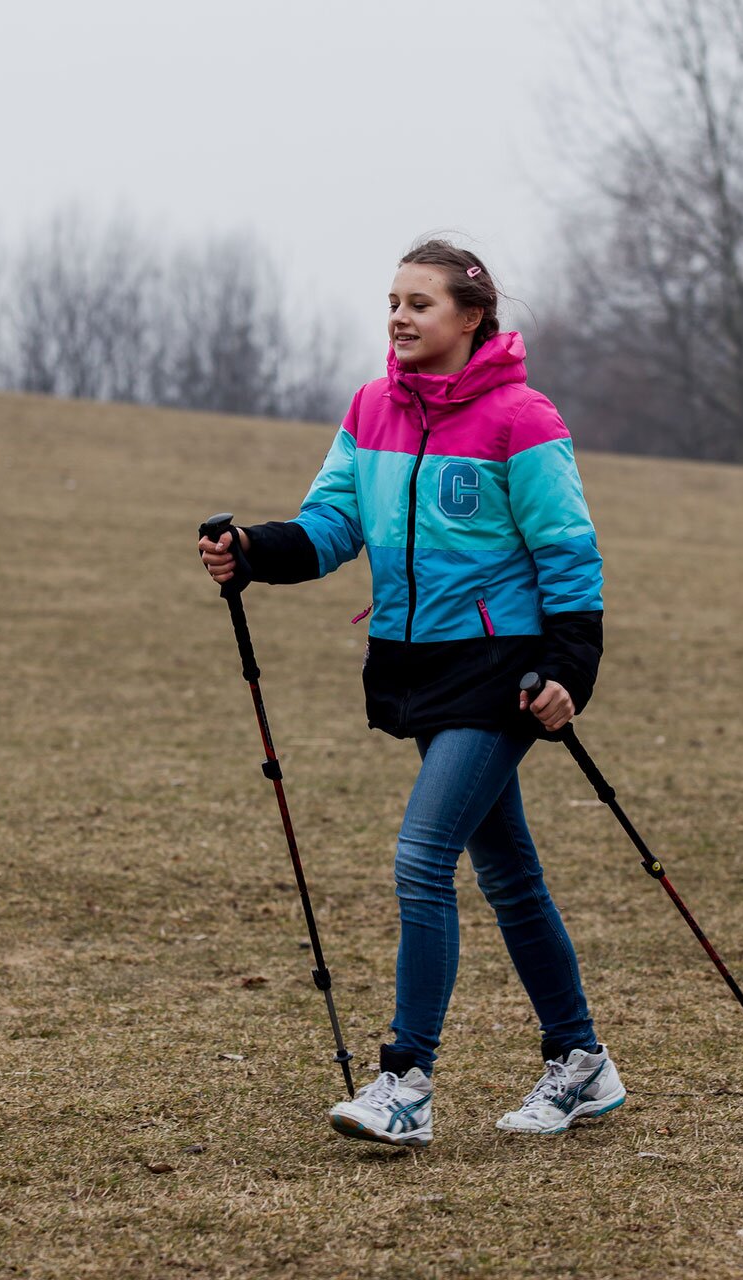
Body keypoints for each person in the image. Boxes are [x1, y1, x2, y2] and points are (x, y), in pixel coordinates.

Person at [197, 239, 623, 1149]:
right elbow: (333, 525)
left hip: (500, 672)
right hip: (415, 667)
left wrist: (567, 672)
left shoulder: (522, 418)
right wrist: (254, 551)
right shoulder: (372, 408)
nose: (399, 316)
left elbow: (568, 556)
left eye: (420, 303)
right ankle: (581, 1061)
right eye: (392, 300)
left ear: (472, 318)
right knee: (508, 873)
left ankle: (406, 1082)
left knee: (423, 859)